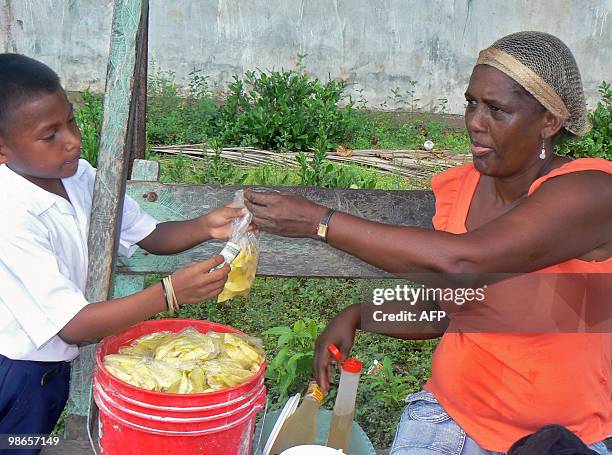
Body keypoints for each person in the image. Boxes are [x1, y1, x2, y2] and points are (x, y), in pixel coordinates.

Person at [244, 31, 612, 454]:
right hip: (449, 417)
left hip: (562, 439)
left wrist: (318, 221)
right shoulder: (464, 190)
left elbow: (464, 265)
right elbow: (462, 302)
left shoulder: (591, 194)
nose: (475, 121)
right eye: (471, 102)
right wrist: (360, 314)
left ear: (549, 121)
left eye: (497, 109)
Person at [0, 53, 237, 449]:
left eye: (71, 121)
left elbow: (149, 235)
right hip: (15, 373)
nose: (73, 139)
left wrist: (205, 226)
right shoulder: (10, 216)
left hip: (49, 371)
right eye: (50, 135)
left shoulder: (80, 177)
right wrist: (169, 294)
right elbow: (73, 325)